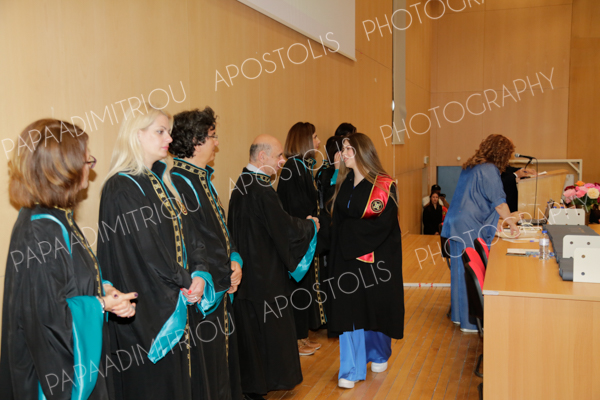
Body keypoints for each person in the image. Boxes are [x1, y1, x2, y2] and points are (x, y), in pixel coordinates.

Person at [0, 119, 136, 399]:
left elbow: (66, 282)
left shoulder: (56, 218)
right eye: (87, 160)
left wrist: (104, 290)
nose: (90, 167)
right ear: (64, 168)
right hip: (52, 381)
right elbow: (48, 318)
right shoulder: (41, 229)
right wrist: (101, 304)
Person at [98, 105, 211, 400]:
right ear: (137, 134)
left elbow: (190, 233)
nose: (169, 139)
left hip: (178, 294)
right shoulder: (121, 187)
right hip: (147, 312)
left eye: (168, 132)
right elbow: (147, 251)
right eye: (160, 131)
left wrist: (200, 272)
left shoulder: (161, 181)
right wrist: (186, 280)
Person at [228, 134, 319, 400]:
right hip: (265, 276)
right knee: (269, 333)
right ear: (262, 156)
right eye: (279, 155)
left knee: (252, 334)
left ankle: (254, 385)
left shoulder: (242, 184)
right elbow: (285, 228)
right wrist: (310, 225)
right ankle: (266, 382)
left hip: (247, 275)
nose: (282, 161)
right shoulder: (261, 189)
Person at [169, 107, 243, 400]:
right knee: (206, 370)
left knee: (222, 364)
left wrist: (235, 258)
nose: (217, 143)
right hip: (203, 291)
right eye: (212, 136)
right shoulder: (178, 181)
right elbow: (194, 241)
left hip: (220, 279)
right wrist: (224, 271)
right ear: (195, 141)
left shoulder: (201, 178)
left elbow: (220, 230)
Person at [328, 133, 404, 389]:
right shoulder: (344, 183)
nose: (344, 153)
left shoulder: (384, 186)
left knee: (375, 311)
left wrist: (346, 235)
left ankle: (378, 354)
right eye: (344, 149)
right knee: (350, 314)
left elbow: (382, 226)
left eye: (349, 148)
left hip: (377, 262)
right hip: (347, 261)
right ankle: (351, 369)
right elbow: (337, 221)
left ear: (363, 151)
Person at [441, 134, 521, 333]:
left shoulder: (471, 166)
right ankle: (470, 322)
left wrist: (497, 222)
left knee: (460, 271)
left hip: (455, 223)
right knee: (470, 271)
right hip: (468, 224)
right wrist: (512, 223)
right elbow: (499, 203)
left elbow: (475, 198)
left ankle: (460, 316)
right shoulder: (489, 169)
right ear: (502, 154)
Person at [277, 122, 326, 355]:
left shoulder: (301, 167)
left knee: (305, 288)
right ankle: (296, 340)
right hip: (297, 243)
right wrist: (309, 222)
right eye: (314, 137)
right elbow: (295, 208)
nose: (318, 142)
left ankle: (302, 336)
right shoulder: (293, 168)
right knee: (298, 289)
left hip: (305, 238)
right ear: (304, 140)